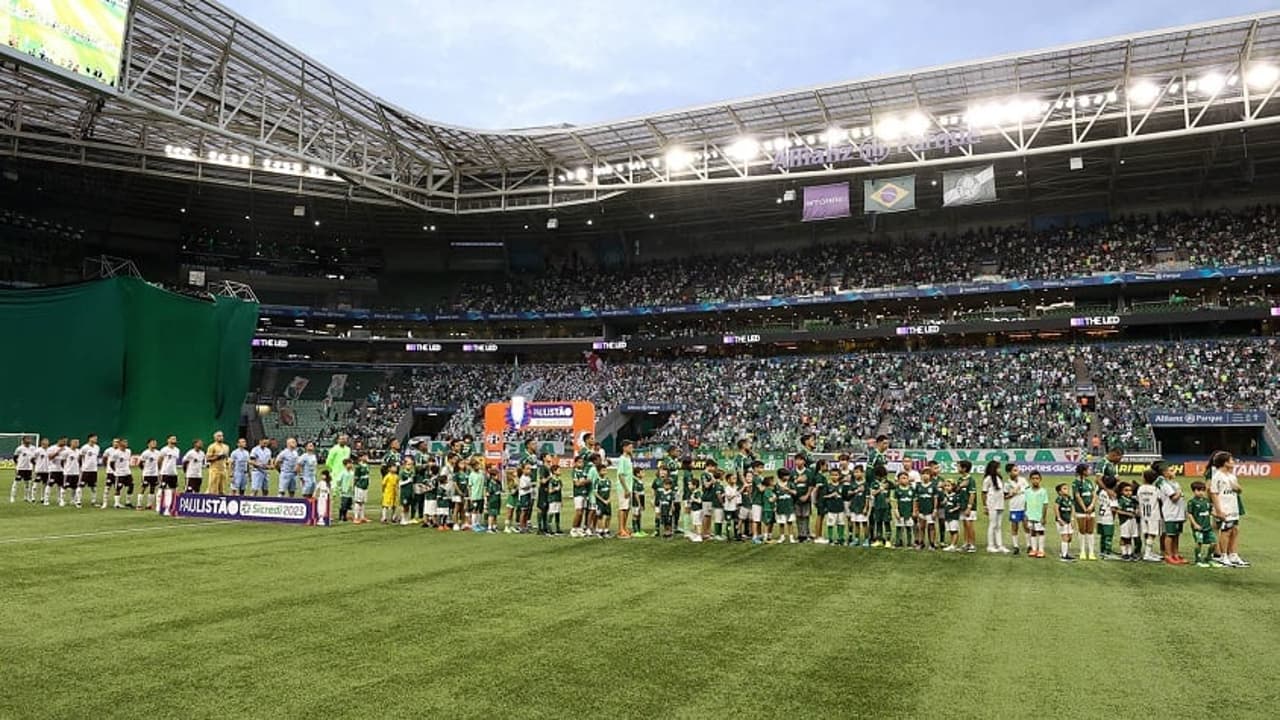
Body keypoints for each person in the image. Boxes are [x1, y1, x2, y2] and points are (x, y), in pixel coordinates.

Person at [1208, 452, 1246, 568]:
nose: (1233, 462)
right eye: (1231, 460)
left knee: (1235, 530)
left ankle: (1233, 554)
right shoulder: (1217, 476)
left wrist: (1238, 488)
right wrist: (1218, 510)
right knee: (1226, 531)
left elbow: (1238, 490)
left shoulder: (1231, 475)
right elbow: (1213, 493)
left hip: (1233, 507)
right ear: (1225, 463)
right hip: (1224, 507)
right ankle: (1223, 555)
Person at [1153, 460, 1187, 565]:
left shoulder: (1173, 482)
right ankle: (1168, 555)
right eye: (1171, 470)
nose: (1174, 472)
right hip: (1170, 512)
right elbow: (1174, 498)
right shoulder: (1163, 482)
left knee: (1176, 534)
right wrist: (1179, 492)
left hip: (1178, 512)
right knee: (1170, 534)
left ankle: (1175, 554)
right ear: (1164, 472)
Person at [1187, 481, 1216, 568]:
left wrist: (1219, 515)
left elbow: (1211, 512)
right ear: (1194, 491)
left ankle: (1209, 558)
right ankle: (1198, 560)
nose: (1201, 492)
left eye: (1203, 490)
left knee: (1214, 543)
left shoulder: (1206, 501)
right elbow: (1189, 514)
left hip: (1208, 527)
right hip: (1198, 528)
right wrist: (1195, 524)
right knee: (1199, 542)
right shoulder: (1192, 502)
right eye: (1198, 490)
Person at [1072, 463, 1098, 561]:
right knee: (1082, 530)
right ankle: (1082, 551)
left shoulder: (1089, 482)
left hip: (1091, 510)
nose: (1090, 471)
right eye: (1088, 469)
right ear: (1083, 471)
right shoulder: (1076, 483)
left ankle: (1091, 552)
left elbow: (1094, 495)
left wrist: (1091, 506)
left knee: (1090, 531)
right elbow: (1078, 497)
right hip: (1080, 510)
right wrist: (1084, 508)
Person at [981, 461, 1008, 553]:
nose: (999, 470)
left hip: (1000, 503)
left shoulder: (999, 478)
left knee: (998, 525)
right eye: (998, 468)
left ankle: (999, 545)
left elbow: (1002, 492)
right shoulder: (988, 479)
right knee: (992, 524)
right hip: (992, 504)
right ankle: (990, 545)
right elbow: (984, 493)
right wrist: (985, 506)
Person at [1137, 469, 1163, 563]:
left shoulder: (1140, 488)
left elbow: (1138, 499)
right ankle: (1147, 554)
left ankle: (1148, 552)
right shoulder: (1155, 489)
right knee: (1152, 534)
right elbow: (1160, 500)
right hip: (1154, 514)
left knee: (1146, 533)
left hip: (1143, 514)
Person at [1024, 471, 1050, 559]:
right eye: (1033, 479)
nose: (1035, 480)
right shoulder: (1027, 491)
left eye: (1037, 478)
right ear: (1030, 480)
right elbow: (1026, 503)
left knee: (1041, 532)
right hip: (1030, 515)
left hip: (1039, 516)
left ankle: (1041, 549)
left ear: (1040, 480)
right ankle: (1034, 549)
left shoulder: (1043, 491)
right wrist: (1026, 514)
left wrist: (1044, 517)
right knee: (1032, 532)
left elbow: (1045, 504)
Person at [1005, 463, 1028, 555]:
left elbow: (1028, 491)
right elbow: (1004, 497)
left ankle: (1029, 545)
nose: (1017, 472)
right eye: (1014, 470)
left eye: (1017, 470)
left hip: (1025, 507)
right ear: (1009, 472)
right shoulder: (1007, 484)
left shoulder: (1023, 480)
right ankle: (1016, 546)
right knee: (1015, 527)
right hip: (1014, 508)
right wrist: (1011, 494)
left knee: (1026, 526)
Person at [956, 460, 978, 552]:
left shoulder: (971, 480)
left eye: (958, 466)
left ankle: (972, 544)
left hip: (969, 507)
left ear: (964, 468)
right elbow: (957, 490)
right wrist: (960, 486)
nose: (957, 468)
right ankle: (966, 543)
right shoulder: (960, 479)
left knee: (969, 525)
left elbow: (972, 494)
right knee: (965, 525)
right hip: (962, 506)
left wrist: (969, 507)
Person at [616, 440, 636, 539]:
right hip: (623, 488)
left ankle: (624, 527)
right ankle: (620, 529)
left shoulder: (628, 459)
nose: (632, 449)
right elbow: (620, 475)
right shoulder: (622, 459)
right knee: (622, 508)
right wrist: (626, 489)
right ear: (624, 448)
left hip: (629, 487)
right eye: (630, 447)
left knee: (627, 508)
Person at [891, 471, 916, 549]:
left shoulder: (912, 489)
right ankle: (898, 543)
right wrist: (896, 511)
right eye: (902, 478)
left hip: (909, 512)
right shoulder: (897, 490)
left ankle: (909, 543)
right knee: (899, 528)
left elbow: (914, 501)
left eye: (905, 478)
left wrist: (914, 511)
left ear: (908, 479)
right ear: (898, 480)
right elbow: (895, 501)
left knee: (909, 528)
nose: (904, 480)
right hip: (900, 512)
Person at [157, 436, 181, 515]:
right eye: (172, 439)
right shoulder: (164, 449)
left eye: (175, 439)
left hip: (173, 473)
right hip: (165, 472)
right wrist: (160, 470)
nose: (174, 440)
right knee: (163, 489)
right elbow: (159, 460)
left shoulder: (177, 450)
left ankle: (171, 507)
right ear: (168, 440)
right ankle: (160, 507)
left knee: (173, 490)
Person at [1116, 482, 1140, 562]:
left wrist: (1136, 510)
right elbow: (1118, 511)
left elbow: (1136, 506)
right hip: (1125, 521)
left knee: (1130, 537)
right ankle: (1124, 553)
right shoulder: (1121, 500)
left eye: (1130, 490)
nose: (1129, 492)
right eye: (1126, 490)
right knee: (1124, 537)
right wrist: (1127, 514)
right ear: (1121, 491)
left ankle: (1129, 552)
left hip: (1133, 521)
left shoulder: (1133, 500)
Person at [1096, 476, 1118, 560]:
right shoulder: (1112, 494)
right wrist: (1113, 517)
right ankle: (1107, 553)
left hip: (1100, 517)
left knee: (1103, 536)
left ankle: (1102, 551)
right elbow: (1113, 508)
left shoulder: (1102, 492)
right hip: (1108, 517)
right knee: (1108, 536)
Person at [11, 435, 37, 503]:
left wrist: (34, 465)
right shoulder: (19, 448)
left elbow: (33, 458)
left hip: (29, 468)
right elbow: (15, 458)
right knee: (16, 482)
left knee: (28, 483)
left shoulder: (33, 448)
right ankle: (12, 497)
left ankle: (27, 497)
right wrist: (17, 466)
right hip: (20, 468)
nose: (29, 440)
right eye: (27, 439)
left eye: (29, 439)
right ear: (23, 440)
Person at [1054, 483, 1076, 562]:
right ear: (1060, 492)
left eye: (1067, 488)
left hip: (1069, 521)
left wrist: (1072, 519)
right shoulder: (1059, 499)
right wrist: (1059, 519)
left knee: (1070, 537)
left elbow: (1073, 509)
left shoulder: (1070, 499)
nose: (1067, 490)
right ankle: (1064, 556)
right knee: (1065, 537)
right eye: (1064, 488)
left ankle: (1066, 552)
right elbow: (1056, 508)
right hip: (1062, 521)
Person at [137, 438, 161, 510]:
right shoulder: (145, 453)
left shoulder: (158, 453)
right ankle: (139, 505)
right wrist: (144, 470)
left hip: (155, 474)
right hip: (147, 474)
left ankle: (149, 505)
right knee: (143, 488)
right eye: (152, 442)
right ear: (148, 444)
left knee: (152, 488)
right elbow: (140, 463)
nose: (154, 444)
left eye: (155, 443)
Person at [774, 468, 797, 544]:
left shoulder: (790, 484)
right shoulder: (776, 485)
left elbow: (795, 492)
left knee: (790, 522)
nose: (787, 477)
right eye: (785, 476)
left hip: (789, 507)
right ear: (780, 476)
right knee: (781, 523)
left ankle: (791, 537)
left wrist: (788, 490)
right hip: (780, 507)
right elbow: (774, 495)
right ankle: (782, 537)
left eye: (788, 475)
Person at [591, 457, 612, 538]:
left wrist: (609, 499)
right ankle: (600, 531)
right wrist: (603, 500)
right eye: (603, 470)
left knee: (608, 516)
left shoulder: (608, 480)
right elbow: (595, 493)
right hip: (600, 502)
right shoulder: (597, 481)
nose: (605, 471)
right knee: (600, 516)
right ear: (598, 472)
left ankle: (606, 530)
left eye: (605, 470)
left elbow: (609, 490)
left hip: (607, 501)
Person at [79, 434, 101, 507]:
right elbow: (80, 457)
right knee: (81, 485)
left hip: (94, 470)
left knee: (93, 486)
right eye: (94, 438)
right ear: (90, 439)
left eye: (96, 438)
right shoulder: (84, 447)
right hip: (86, 470)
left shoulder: (97, 447)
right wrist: (82, 466)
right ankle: (78, 501)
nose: (96, 439)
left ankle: (93, 501)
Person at [206, 431, 230, 496]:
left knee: (223, 490)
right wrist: (217, 457)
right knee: (213, 489)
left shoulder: (226, 447)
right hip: (214, 470)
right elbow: (208, 458)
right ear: (215, 438)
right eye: (219, 436)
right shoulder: (212, 446)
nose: (221, 437)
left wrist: (228, 467)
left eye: (222, 436)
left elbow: (227, 459)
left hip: (223, 470)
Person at [941, 480, 962, 552]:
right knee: (950, 531)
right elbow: (943, 504)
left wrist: (953, 510)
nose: (946, 487)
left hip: (954, 516)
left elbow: (959, 506)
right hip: (947, 516)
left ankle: (953, 545)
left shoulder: (956, 496)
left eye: (948, 486)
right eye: (945, 486)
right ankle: (952, 544)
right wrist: (944, 502)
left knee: (954, 531)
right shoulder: (945, 495)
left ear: (953, 487)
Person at [61, 437, 81, 508]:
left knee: (75, 487)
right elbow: (62, 461)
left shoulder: (79, 451)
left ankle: (74, 500)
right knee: (64, 487)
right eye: (75, 442)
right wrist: (66, 469)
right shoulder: (66, 452)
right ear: (71, 443)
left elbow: (79, 461)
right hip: (68, 472)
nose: (77, 444)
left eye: (78, 442)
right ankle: (62, 500)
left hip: (76, 472)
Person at [335, 457, 355, 523]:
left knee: (348, 505)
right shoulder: (343, 472)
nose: (351, 465)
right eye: (349, 464)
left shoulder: (352, 472)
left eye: (351, 464)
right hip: (344, 491)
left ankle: (345, 517)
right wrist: (340, 488)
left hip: (350, 491)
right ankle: (341, 517)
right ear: (345, 465)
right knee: (343, 505)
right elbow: (338, 481)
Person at [380, 460, 399, 524]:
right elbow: (383, 484)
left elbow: (397, 484)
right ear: (389, 468)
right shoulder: (387, 476)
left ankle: (393, 517)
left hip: (394, 493)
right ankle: (384, 517)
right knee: (385, 505)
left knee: (394, 505)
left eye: (396, 467)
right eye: (394, 467)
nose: (395, 468)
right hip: (388, 493)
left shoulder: (396, 476)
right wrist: (383, 491)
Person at [34, 437, 51, 505]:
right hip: (39, 470)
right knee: (36, 483)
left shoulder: (49, 450)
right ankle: (33, 498)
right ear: (42, 443)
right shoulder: (38, 451)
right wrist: (36, 466)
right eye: (45, 443)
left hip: (47, 470)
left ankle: (42, 497)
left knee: (45, 484)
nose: (46, 444)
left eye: (47, 443)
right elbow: (33, 458)